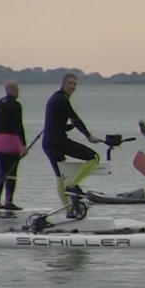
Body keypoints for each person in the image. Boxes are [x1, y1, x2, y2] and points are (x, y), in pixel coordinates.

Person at [42, 73, 102, 215]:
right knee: (94, 158)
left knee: (60, 176)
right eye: (70, 83)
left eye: (75, 84)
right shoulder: (62, 99)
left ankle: (68, 211)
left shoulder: (54, 98)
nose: (73, 87)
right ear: (63, 84)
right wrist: (88, 136)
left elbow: (59, 123)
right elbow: (75, 118)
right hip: (58, 142)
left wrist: (69, 127)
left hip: (48, 142)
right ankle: (72, 185)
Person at [0, 80, 28, 211]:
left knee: (1, 171)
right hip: (11, 141)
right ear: (15, 90)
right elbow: (18, 125)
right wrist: (23, 145)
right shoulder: (16, 105)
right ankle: (9, 201)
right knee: (11, 171)